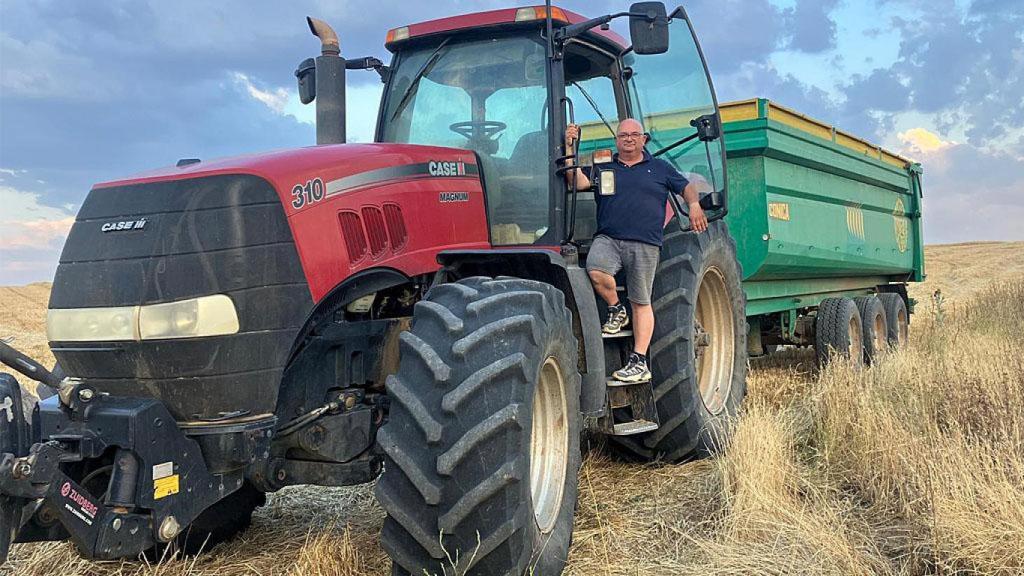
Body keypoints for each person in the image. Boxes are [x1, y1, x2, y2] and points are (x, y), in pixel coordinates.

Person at [564, 119, 707, 382]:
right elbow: (576, 181)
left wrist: (694, 205)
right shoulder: (604, 167)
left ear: (643, 139)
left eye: (634, 135)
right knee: (595, 269)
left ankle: (639, 361)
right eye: (623, 135)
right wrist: (569, 145)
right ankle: (616, 309)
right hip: (609, 238)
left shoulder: (660, 168)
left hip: (645, 243)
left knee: (641, 301)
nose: (628, 139)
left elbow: (686, 186)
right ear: (617, 140)